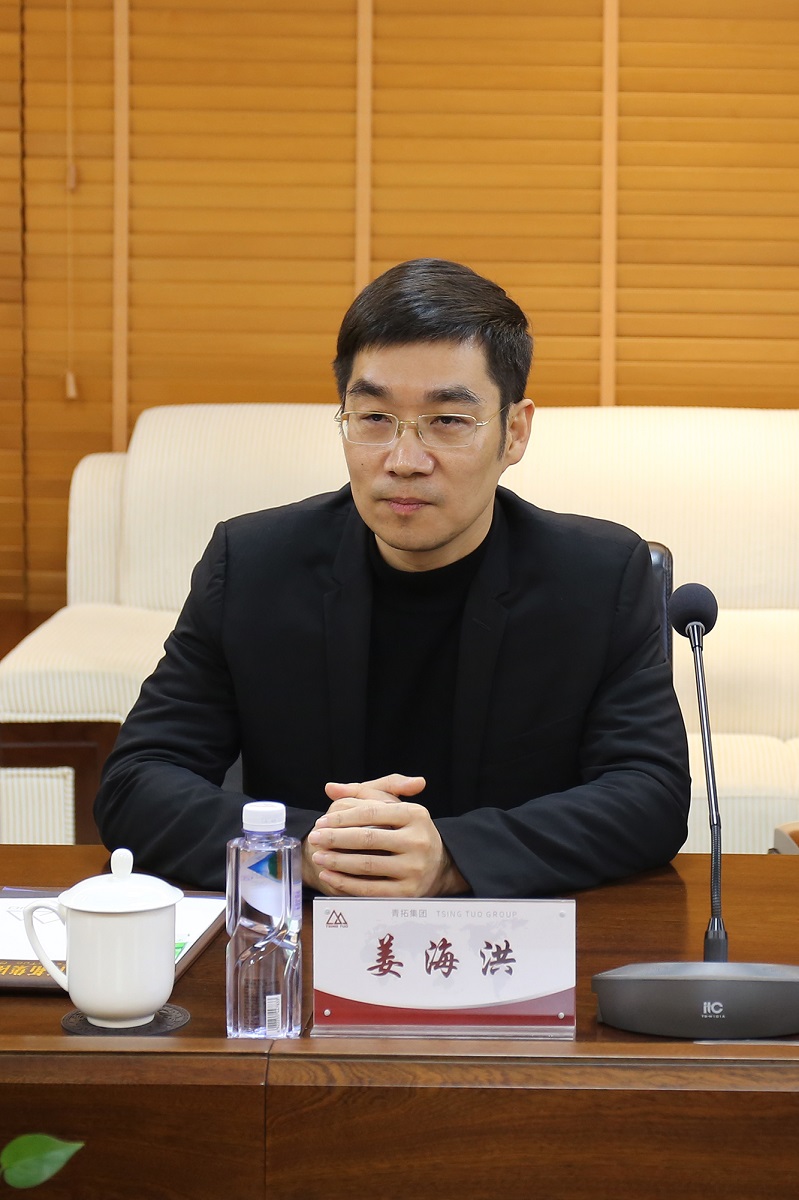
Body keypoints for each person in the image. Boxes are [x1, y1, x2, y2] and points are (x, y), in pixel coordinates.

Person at [94, 258, 690, 898]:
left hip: (510, 939)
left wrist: (452, 858)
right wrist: (308, 853)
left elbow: (650, 793)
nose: (404, 460)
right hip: (307, 939)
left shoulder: (599, 577)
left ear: (514, 433)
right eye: (374, 418)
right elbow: (137, 781)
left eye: (449, 421)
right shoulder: (252, 565)